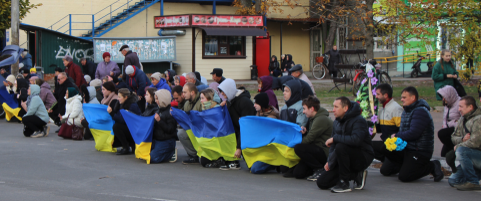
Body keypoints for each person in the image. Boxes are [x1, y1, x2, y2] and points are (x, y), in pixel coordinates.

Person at [379, 87, 443, 183]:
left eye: (404, 97)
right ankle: (405, 165)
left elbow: (414, 133)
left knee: (404, 176)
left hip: (419, 150)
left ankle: (432, 166)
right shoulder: (406, 110)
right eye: (401, 97)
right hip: (407, 148)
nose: (401, 99)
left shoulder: (420, 111)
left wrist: (397, 135)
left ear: (413, 98)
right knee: (386, 165)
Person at [316, 97, 373, 193]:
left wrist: (335, 138)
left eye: (336, 107)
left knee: (341, 146)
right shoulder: (337, 122)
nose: (333, 109)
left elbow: (356, 140)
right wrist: (330, 161)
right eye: (333, 106)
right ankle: (356, 174)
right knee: (322, 183)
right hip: (343, 157)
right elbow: (332, 146)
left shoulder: (358, 120)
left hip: (361, 156)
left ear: (345, 108)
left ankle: (344, 183)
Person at [218, 78, 256, 170]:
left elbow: (246, 127)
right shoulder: (230, 101)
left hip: (247, 134)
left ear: (229, 90)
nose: (222, 94)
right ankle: (230, 159)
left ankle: (235, 160)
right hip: (236, 131)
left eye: (223, 91)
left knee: (253, 167)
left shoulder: (245, 102)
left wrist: (239, 148)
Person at [293, 96, 332, 181]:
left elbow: (309, 139)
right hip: (316, 149)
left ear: (312, 109)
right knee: (298, 173)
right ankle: (315, 170)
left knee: (298, 148)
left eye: (304, 109)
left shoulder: (321, 119)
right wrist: (305, 132)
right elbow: (313, 135)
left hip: (324, 151)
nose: (303, 112)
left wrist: (293, 144)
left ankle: (320, 169)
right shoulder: (312, 118)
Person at [448, 96, 481, 190]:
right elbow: (453, 137)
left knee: (461, 151)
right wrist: (462, 139)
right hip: (472, 157)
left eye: (461, 107)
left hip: (476, 155)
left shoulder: (479, 119)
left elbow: (475, 143)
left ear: (470, 107)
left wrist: (458, 146)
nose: (459, 109)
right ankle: (476, 174)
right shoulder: (462, 119)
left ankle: (473, 182)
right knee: (453, 180)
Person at [372, 84, 403, 162]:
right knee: (365, 144)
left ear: (385, 95)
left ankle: (394, 160)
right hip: (385, 142)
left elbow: (402, 129)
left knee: (366, 146)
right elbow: (381, 128)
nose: (376, 97)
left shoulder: (396, 108)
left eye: (378, 94)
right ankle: (387, 160)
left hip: (393, 145)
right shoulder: (382, 109)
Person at [436, 85, 461, 172]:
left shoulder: (459, 103)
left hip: (457, 130)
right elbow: (445, 119)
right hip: (449, 130)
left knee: (441, 134)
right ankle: (452, 168)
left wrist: (455, 124)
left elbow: (463, 119)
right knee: (443, 155)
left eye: (444, 97)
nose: (443, 99)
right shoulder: (448, 105)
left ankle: (456, 148)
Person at [109, 88, 142, 155]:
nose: (118, 99)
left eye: (119, 97)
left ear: (126, 97)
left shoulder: (132, 105)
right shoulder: (121, 104)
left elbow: (123, 120)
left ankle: (126, 147)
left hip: (135, 130)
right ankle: (128, 145)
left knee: (117, 127)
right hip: (130, 128)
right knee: (117, 126)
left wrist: (111, 113)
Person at [178, 83, 202, 164]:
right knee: (181, 133)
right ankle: (194, 155)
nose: (183, 95)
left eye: (185, 92)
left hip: (202, 130)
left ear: (192, 92)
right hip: (193, 128)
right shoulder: (186, 104)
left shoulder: (202, 101)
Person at [151, 89, 178, 163]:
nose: (156, 101)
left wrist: (159, 121)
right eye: (155, 99)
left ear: (163, 99)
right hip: (158, 139)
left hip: (167, 141)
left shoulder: (170, 112)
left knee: (153, 158)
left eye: (157, 99)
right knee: (145, 154)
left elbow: (170, 129)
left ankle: (171, 153)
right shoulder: (158, 110)